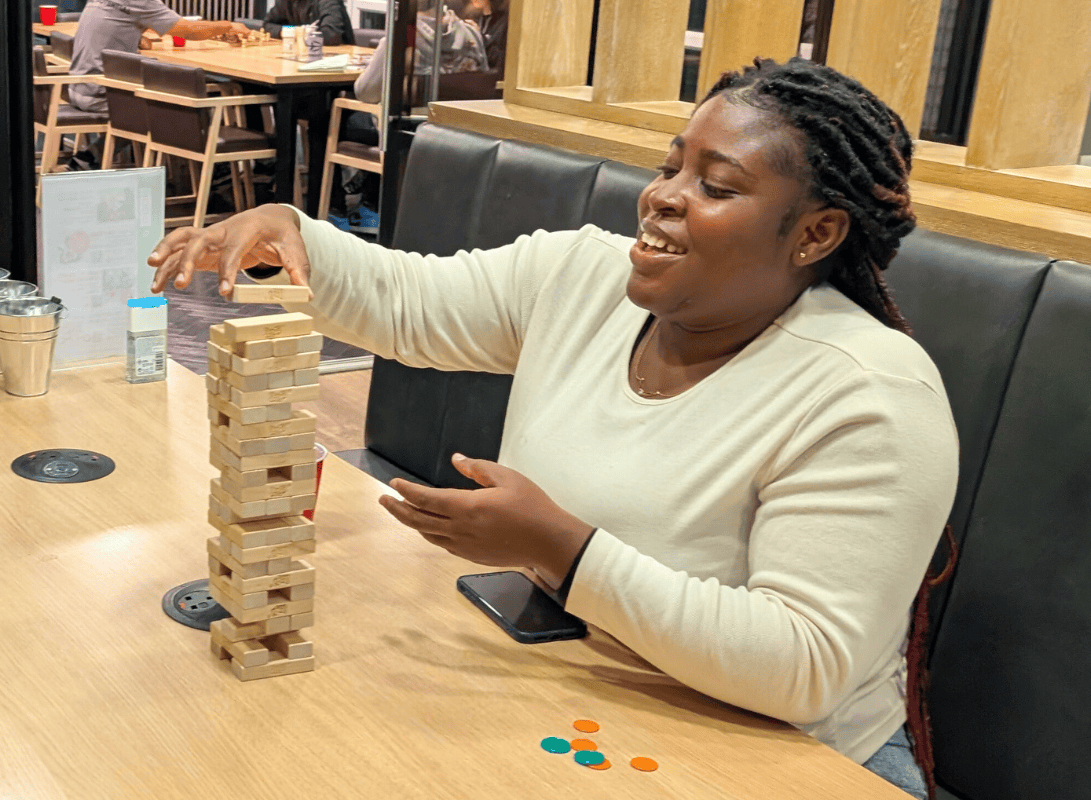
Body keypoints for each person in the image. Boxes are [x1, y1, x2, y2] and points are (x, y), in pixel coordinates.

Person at [147, 57, 958, 800]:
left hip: (792, 757)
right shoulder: (582, 275)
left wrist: (560, 549)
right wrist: (291, 230)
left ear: (816, 233)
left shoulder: (870, 394)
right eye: (671, 165)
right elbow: (408, 302)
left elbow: (803, 664)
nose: (665, 195)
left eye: (716, 186)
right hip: (593, 690)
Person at [68, 1, 249, 115]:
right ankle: (206, 167)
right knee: (180, 102)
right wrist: (228, 26)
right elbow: (187, 30)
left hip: (78, 87)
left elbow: (111, 25)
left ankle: (91, 156)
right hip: (103, 94)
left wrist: (136, 37)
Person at [262, 0, 355, 46]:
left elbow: (331, 35)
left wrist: (302, 34)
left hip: (335, 65)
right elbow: (267, 25)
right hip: (302, 57)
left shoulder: (328, 1)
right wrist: (290, 31)